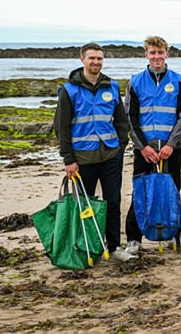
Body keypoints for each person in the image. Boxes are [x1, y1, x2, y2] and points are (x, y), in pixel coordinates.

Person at [53, 42, 133, 261]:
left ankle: (115, 247)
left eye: (99, 58)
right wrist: (68, 159)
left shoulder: (112, 87)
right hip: (82, 158)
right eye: (92, 58)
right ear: (82, 60)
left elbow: (121, 121)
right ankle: (87, 247)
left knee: (113, 202)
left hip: (110, 155)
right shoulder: (69, 90)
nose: (96, 62)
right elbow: (62, 127)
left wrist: (120, 146)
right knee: (85, 205)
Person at [123, 36, 181, 256]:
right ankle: (133, 239)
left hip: (171, 150)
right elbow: (130, 119)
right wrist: (143, 147)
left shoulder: (178, 81)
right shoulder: (135, 82)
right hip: (145, 150)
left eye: (160, 52)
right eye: (153, 53)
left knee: (172, 192)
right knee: (141, 192)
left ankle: (173, 234)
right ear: (146, 55)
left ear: (167, 54)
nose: (157, 56)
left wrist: (171, 144)